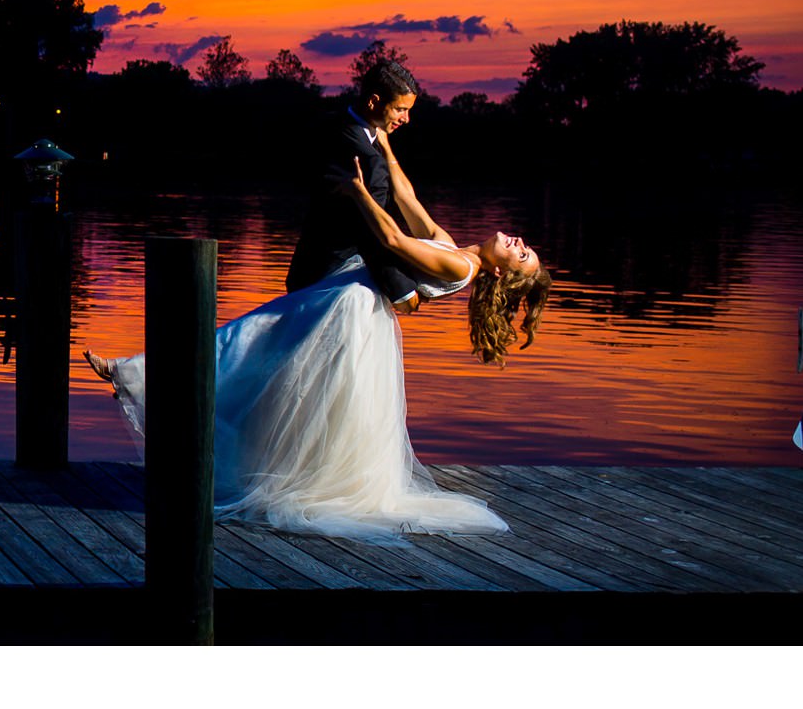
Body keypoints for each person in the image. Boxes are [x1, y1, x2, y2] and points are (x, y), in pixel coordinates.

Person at [85, 127, 551, 541]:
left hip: (350, 311)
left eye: (521, 255)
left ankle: (141, 375)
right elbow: (409, 203)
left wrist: (358, 193)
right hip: (347, 299)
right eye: (525, 247)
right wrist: (385, 146)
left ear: (501, 276)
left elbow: (392, 240)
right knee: (258, 352)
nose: (518, 243)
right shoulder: (457, 250)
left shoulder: (461, 264)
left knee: (260, 350)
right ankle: (144, 374)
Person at [285, 58, 423, 314]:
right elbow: (373, 236)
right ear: (373, 101)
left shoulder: (325, 126)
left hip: (303, 274)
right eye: (400, 109)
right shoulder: (371, 163)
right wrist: (401, 288)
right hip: (334, 288)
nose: (407, 119)